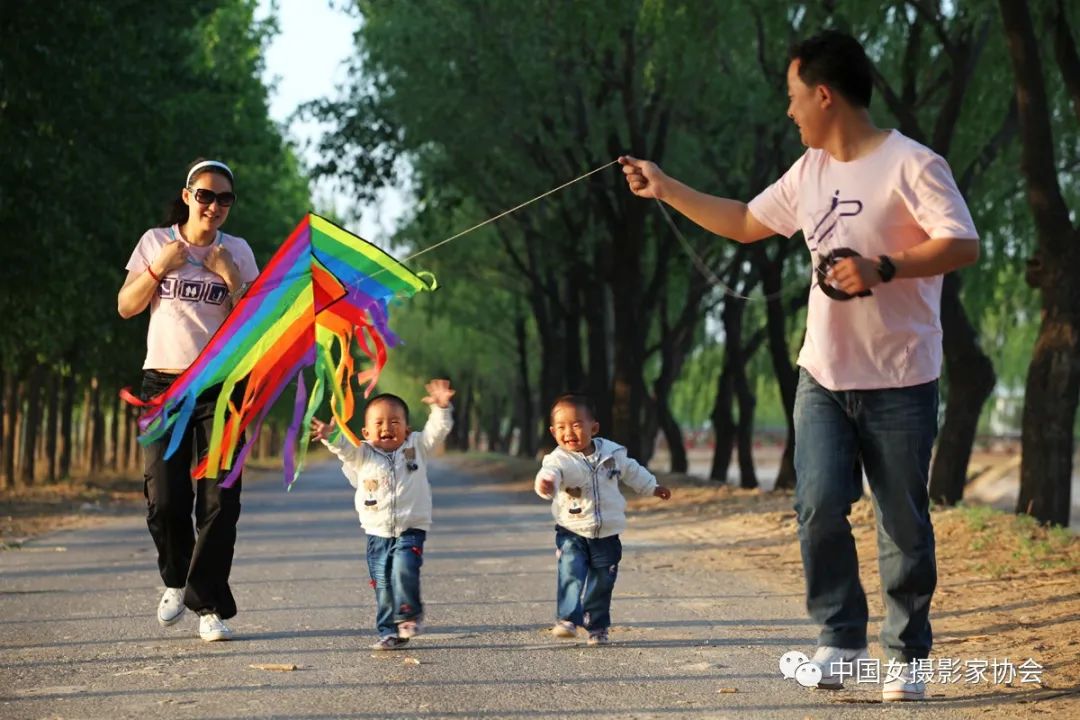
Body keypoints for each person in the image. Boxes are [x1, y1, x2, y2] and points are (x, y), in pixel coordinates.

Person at [619, 30, 979, 701]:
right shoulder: (809, 172)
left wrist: (883, 267)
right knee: (816, 508)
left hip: (902, 378)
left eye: (792, 98)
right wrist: (666, 188)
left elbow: (963, 244)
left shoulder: (913, 164)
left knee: (901, 521)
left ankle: (905, 655)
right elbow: (745, 220)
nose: (789, 112)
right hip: (823, 376)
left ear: (823, 94)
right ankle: (840, 641)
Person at [118, 159, 260, 642]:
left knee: (220, 499)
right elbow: (126, 306)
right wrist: (162, 266)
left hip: (222, 390)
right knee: (165, 499)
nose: (215, 206)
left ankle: (207, 605)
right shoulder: (156, 242)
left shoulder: (237, 251)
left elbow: (257, 327)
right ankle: (176, 580)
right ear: (187, 196)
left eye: (224, 199)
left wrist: (232, 280)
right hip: (164, 386)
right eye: (206, 196)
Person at [310, 380, 455, 650]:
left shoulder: (416, 446)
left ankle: (409, 615)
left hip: (411, 526)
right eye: (379, 423)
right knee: (383, 585)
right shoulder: (362, 453)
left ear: (407, 428)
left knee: (403, 567)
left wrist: (441, 408)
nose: (387, 428)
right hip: (376, 532)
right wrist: (332, 436)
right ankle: (389, 631)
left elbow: (438, 430)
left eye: (394, 422)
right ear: (366, 430)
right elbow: (344, 448)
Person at [534, 393, 672, 646]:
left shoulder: (612, 454)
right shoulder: (557, 460)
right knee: (571, 572)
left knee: (602, 582)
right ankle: (567, 619)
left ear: (593, 428)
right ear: (553, 432)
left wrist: (652, 486)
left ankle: (597, 625)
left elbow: (632, 470)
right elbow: (549, 474)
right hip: (572, 530)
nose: (569, 432)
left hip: (607, 532)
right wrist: (546, 485)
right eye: (562, 427)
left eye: (576, 425)